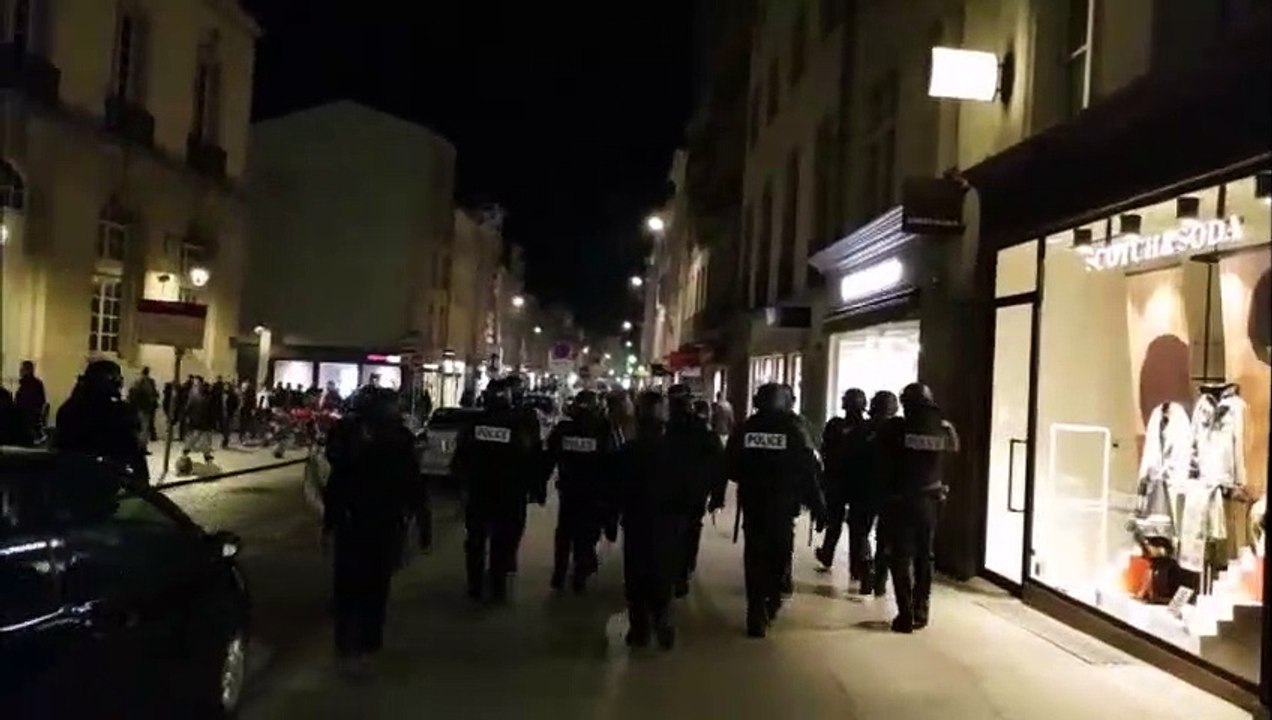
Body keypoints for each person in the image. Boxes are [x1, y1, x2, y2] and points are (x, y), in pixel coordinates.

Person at [322, 387, 430, 676]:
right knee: (374, 585)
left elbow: (334, 480)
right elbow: (413, 483)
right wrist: (422, 523)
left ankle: (348, 641)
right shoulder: (395, 438)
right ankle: (367, 641)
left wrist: (329, 522)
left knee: (349, 585)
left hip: (355, 522)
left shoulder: (349, 434)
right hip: (381, 523)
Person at [719, 383, 827, 638]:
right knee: (779, 557)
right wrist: (818, 506)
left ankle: (756, 610)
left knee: (754, 558)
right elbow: (808, 472)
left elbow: (730, 466)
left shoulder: (747, 429)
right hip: (782, 507)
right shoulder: (793, 430)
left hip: (755, 505)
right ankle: (771, 601)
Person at [451, 380, 545, 602]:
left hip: (479, 492)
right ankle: (497, 586)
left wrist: (462, 486)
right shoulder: (517, 427)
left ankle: (474, 586)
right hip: (509, 494)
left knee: (475, 541)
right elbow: (532, 458)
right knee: (502, 541)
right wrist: (535, 488)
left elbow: (460, 458)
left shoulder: (475, 425)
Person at [614, 390, 691, 650]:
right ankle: (662, 621)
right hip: (667, 524)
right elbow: (688, 489)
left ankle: (640, 628)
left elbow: (615, 486)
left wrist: (613, 518)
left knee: (636, 575)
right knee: (663, 574)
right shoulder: (677, 452)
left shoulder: (628, 451)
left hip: (636, 522)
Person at [880, 382, 959, 633]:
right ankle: (921, 610)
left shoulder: (895, 428)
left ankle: (905, 614)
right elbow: (954, 451)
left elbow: (879, 459)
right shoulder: (943, 429)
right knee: (925, 556)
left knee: (901, 557)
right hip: (931, 502)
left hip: (901, 501)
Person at [544, 389, 616, 593]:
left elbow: (550, 455)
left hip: (568, 490)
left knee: (564, 533)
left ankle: (559, 575)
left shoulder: (564, 428)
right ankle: (579, 576)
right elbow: (612, 461)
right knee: (585, 534)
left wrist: (539, 484)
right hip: (592, 492)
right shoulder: (603, 429)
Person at [665, 385, 727, 598]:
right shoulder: (697, 430)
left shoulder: (663, 428)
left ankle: (677, 572)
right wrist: (717, 495)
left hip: (676, 493)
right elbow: (719, 464)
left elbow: (719, 464)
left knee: (676, 531)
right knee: (688, 531)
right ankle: (681, 571)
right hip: (690, 493)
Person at [55, 359, 149, 484]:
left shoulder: (70, 407)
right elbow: (132, 450)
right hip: (103, 482)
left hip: (69, 481)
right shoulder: (117, 412)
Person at [815, 389, 869, 577]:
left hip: (836, 481)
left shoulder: (835, 425)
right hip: (860, 484)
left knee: (834, 522)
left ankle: (827, 554)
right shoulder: (867, 428)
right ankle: (856, 567)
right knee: (857, 528)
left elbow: (824, 450)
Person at [181, 378, 216, 464]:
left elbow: (187, 408)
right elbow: (211, 412)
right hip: (204, 423)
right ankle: (206, 456)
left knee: (193, 439)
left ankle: (185, 453)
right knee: (205, 440)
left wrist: (187, 418)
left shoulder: (194, 397)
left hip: (195, 422)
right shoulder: (208, 399)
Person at [15, 360, 47, 444]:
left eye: (22, 370)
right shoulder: (35, 384)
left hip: (28, 414)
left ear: (27, 370)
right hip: (31, 413)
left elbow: (22, 401)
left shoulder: (28, 385)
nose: (20, 372)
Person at [127, 367, 160, 444]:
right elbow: (152, 394)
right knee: (144, 428)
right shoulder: (148, 382)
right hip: (145, 408)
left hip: (138, 408)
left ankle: (140, 445)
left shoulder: (136, 382)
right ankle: (142, 446)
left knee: (140, 427)